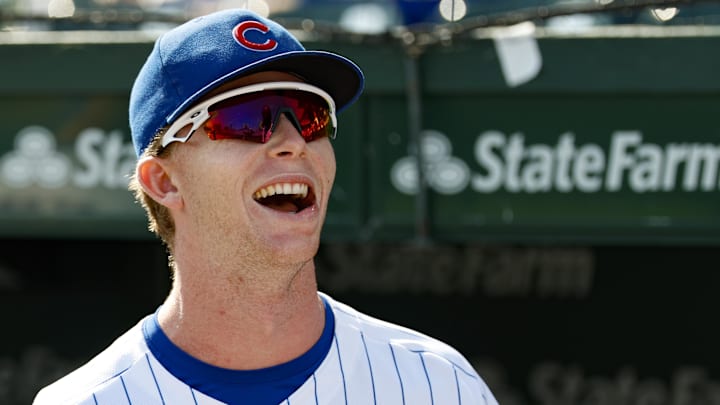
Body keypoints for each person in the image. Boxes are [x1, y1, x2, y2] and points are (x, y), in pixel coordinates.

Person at [33, 8, 498, 405]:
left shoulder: (439, 385)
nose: (293, 143)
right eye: (245, 118)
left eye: (311, 116)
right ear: (165, 181)